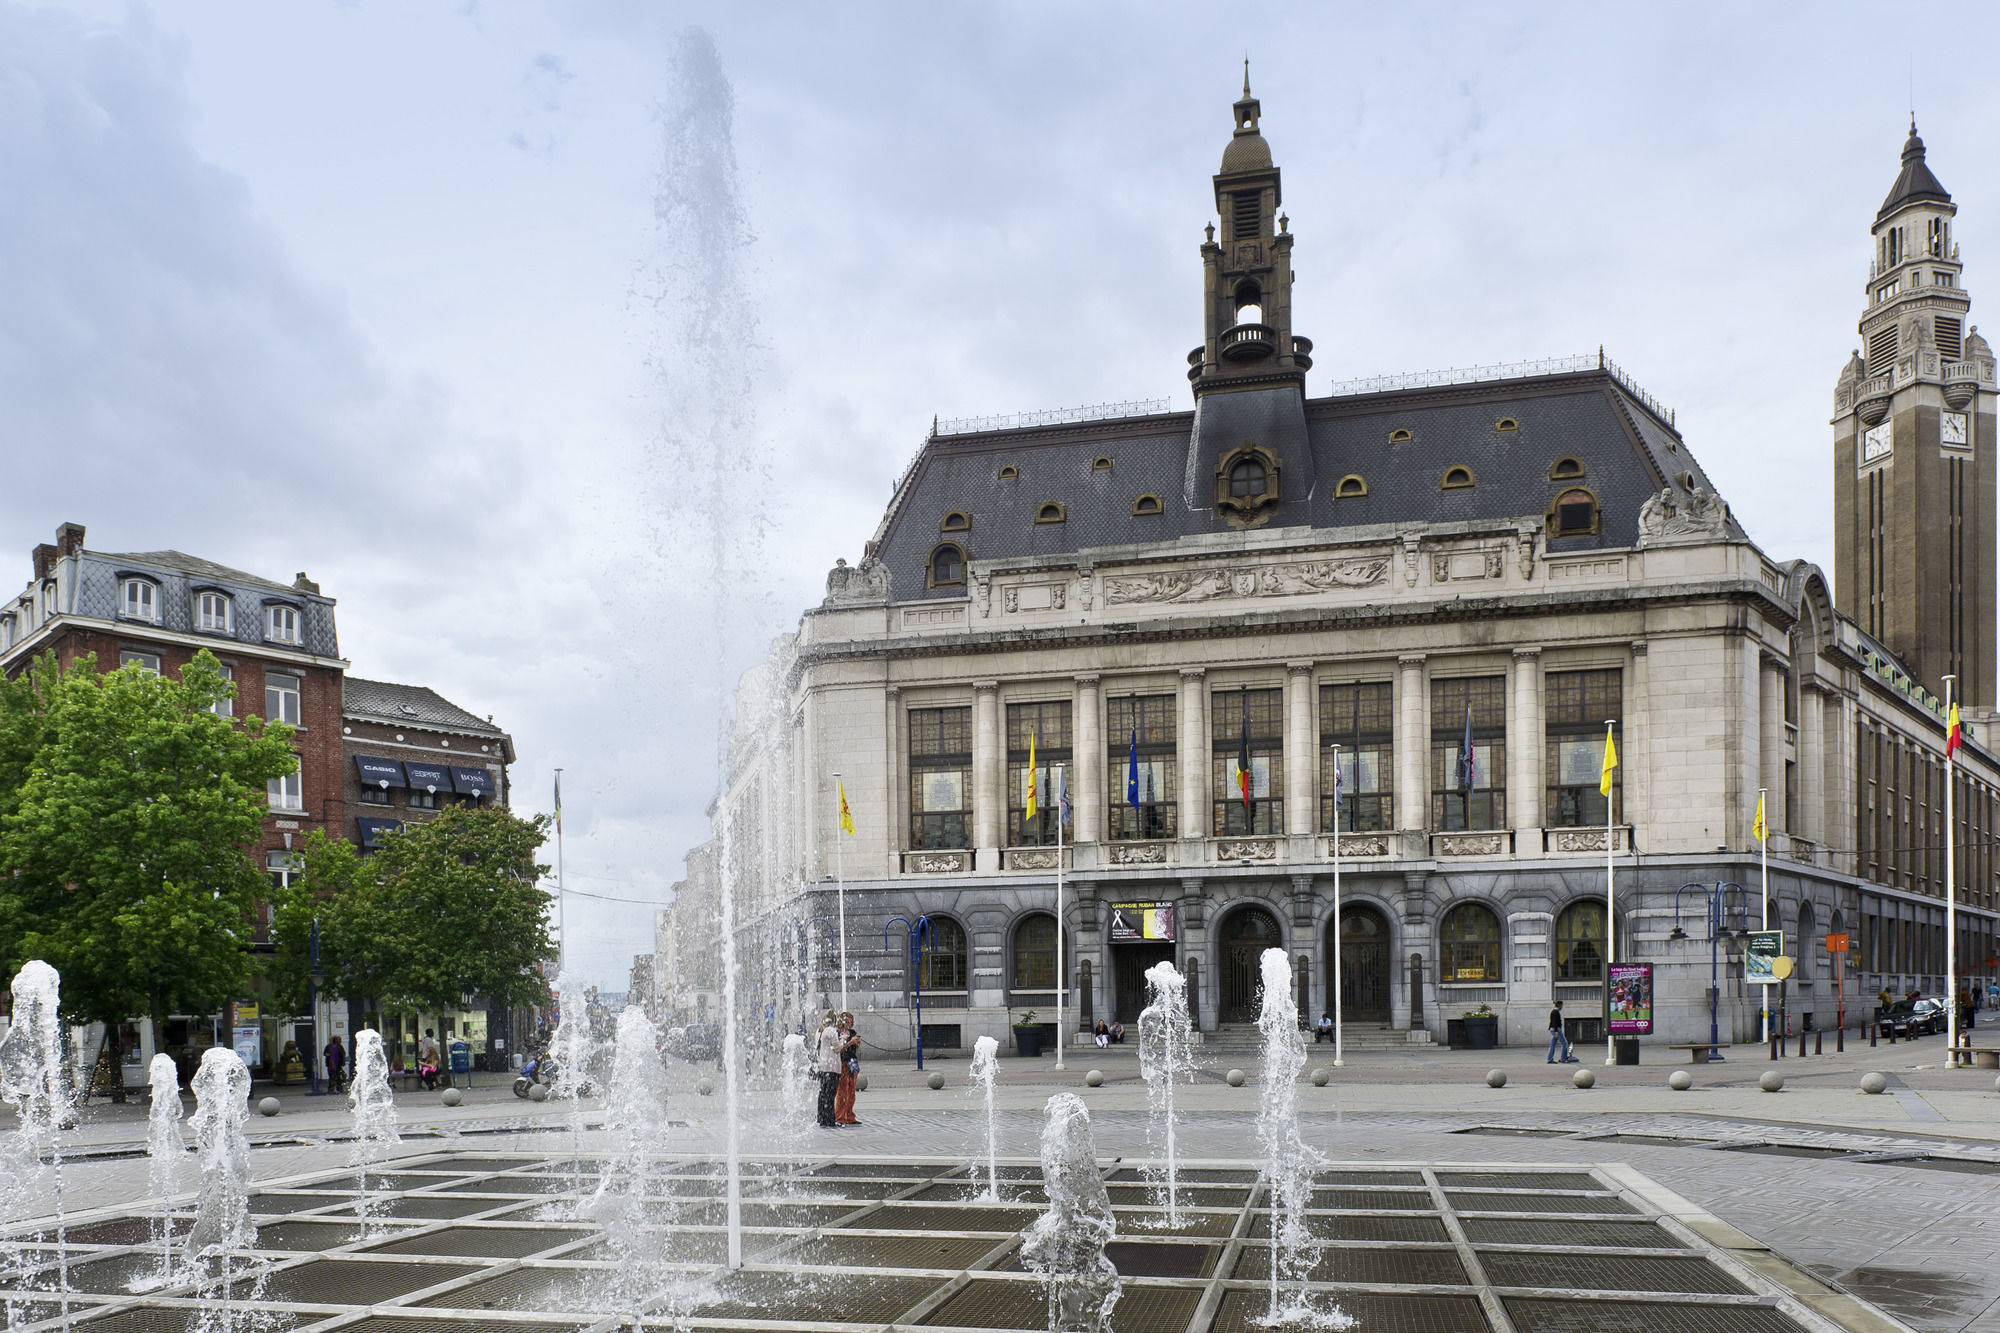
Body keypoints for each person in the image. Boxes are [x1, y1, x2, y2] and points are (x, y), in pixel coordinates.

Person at [814, 1009, 842, 1128]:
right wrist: (844, 1040)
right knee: (830, 1094)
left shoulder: (819, 1031)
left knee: (823, 1093)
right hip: (831, 1066)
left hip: (822, 1065)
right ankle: (830, 1119)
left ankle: (821, 1117)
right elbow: (837, 1048)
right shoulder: (831, 1031)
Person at [834, 1011, 861, 1126]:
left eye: (851, 1020)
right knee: (842, 1091)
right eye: (847, 1020)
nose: (849, 1022)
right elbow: (839, 1049)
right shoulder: (837, 1033)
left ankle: (849, 1115)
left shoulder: (852, 1032)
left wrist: (857, 1044)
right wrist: (850, 1042)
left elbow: (854, 1050)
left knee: (851, 1091)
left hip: (852, 1062)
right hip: (842, 1062)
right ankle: (840, 1116)